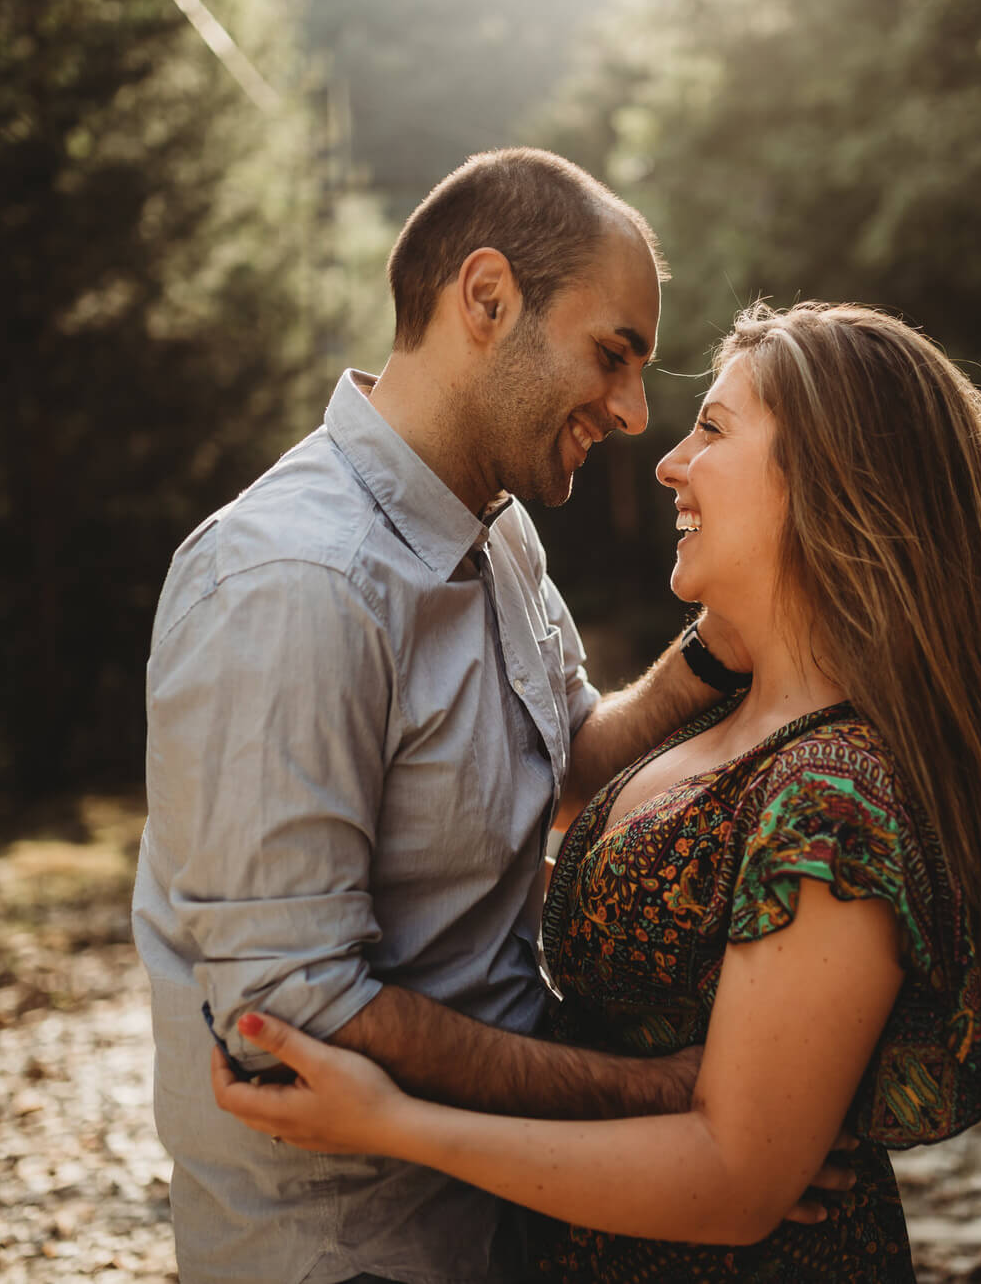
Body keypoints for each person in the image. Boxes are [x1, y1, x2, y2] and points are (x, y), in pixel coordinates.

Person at [211, 300, 981, 1280]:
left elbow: (734, 1182)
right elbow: (570, 826)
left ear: (828, 479)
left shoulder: (834, 798)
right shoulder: (727, 725)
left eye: (712, 428)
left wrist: (399, 1125)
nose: (666, 462)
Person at [133, 150, 831, 1284]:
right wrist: (658, 1098)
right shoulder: (292, 582)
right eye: (613, 355)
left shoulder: (494, 526)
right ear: (487, 300)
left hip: (501, 1207)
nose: (627, 413)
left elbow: (560, 768)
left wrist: (719, 650)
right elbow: (294, 1012)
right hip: (354, 1249)